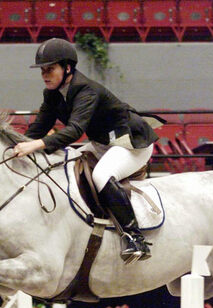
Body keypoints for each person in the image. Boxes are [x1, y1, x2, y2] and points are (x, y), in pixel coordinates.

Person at [14, 38, 160, 264]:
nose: (45, 74)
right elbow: (39, 127)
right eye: (42, 70)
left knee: (102, 176)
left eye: (50, 69)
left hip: (131, 143)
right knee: (64, 162)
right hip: (104, 142)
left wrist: (36, 145)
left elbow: (74, 131)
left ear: (68, 68)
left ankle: (135, 238)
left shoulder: (86, 90)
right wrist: (16, 146)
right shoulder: (51, 93)